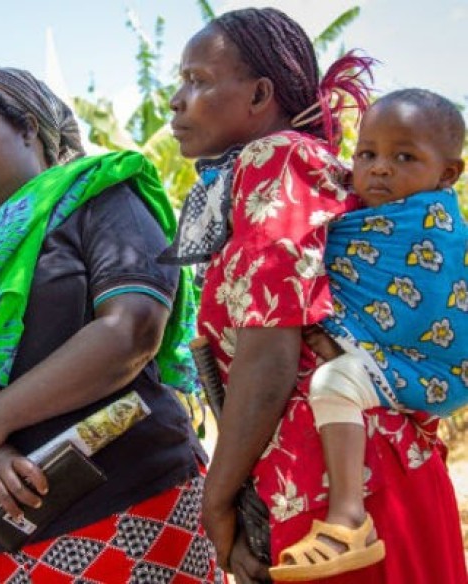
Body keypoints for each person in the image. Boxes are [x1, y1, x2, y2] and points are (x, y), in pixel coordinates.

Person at [162, 8, 467, 584]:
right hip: (355, 481)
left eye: (198, 80)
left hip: (345, 504)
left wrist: (216, 501)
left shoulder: (275, 158)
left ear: (259, 94)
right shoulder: (294, 170)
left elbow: (269, 353)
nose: (178, 99)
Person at [0, 53, 219, 583]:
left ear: (28, 127)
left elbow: (132, 328)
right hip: (7, 526)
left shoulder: (101, 198)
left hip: (131, 501)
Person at [270, 88, 468, 580]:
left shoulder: (435, 229)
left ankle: (347, 517)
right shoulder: (355, 220)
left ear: (448, 174)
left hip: (425, 363)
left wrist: (335, 333)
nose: (379, 167)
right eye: (367, 153)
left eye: (404, 156)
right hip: (385, 372)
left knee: (332, 385)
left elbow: (418, 307)